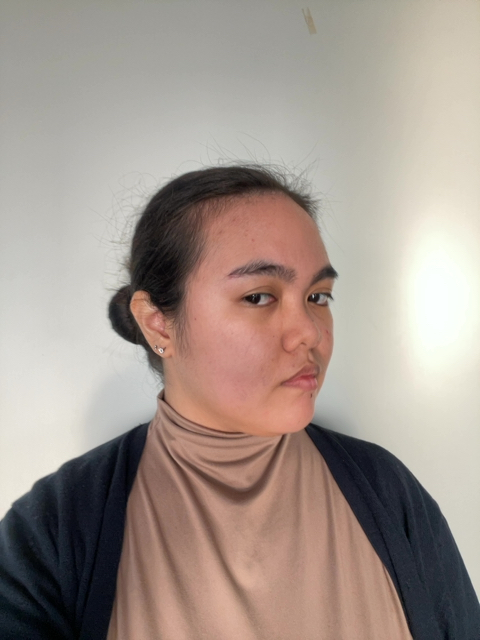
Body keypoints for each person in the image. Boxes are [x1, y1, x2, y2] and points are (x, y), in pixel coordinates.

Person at [0, 165, 478, 640]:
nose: (309, 332)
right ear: (157, 323)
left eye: (318, 296)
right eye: (257, 297)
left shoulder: (386, 491)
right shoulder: (55, 530)